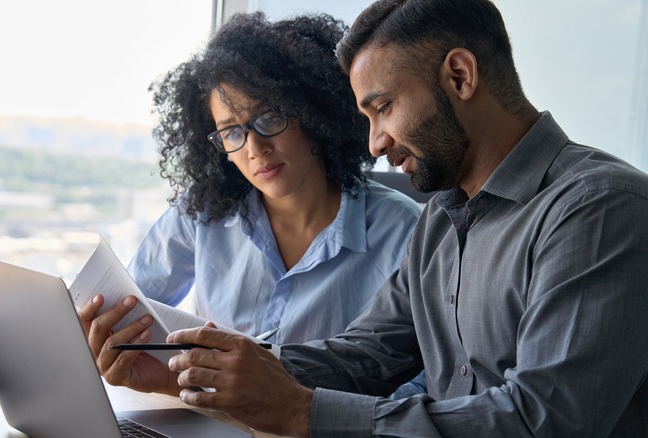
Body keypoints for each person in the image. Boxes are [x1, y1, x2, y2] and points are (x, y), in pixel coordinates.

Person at [82, 0, 648, 435]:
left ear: (460, 76)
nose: (374, 143)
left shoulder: (599, 208)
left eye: (383, 108)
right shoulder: (443, 221)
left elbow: (542, 421)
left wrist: (305, 414)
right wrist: (193, 376)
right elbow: (364, 356)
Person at [91, 11, 425, 393]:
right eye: (231, 132)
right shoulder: (201, 212)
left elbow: (422, 387)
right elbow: (133, 311)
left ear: (313, 114)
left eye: (269, 117)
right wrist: (109, 338)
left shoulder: (403, 231)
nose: (254, 148)